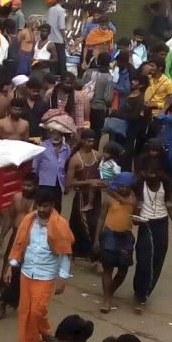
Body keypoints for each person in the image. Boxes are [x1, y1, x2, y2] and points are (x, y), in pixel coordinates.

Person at [7, 188, 74, 342]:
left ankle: (45, 333)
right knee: (25, 310)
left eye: (46, 206)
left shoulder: (60, 225)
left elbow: (65, 253)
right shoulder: (29, 220)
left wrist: (62, 278)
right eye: (39, 206)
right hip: (26, 272)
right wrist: (11, 266)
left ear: (52, 205)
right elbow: (19, 243)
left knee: (37, 311)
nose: (42, 210)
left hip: (46, 276)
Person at [132, 159, 172, 312]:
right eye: (149, 174)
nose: (152, 176)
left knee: (158, 259)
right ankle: (139, 288)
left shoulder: (164, 186)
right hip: (145, 224)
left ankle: (143, 296)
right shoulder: (140, 185)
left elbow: (171, 206)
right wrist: (135, 216)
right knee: (143, 260)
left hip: (161, 224)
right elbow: (135, 206)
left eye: (155, 174)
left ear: (160, 174)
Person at [0, 172, 38, 322]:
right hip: (16, 237)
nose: (26, 188)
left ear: (36, 186)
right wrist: (2, 237)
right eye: (24, 184)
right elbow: (10, 217)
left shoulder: (39, 202)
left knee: (27, 274)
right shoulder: (17, 198)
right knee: (8, 269)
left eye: (29, 185)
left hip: (32, 241)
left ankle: (25, 307)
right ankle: (2, 307)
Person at [94, 172, 136, 314]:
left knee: (124, 269)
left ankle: (109, 292)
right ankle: (106, 299)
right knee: (108, 268)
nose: (124, 189)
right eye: (121, 186)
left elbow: (135, 217)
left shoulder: (133, 197)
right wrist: (96, 238)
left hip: (126, 236)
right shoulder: (109, 198)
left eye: (127, 186)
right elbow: (101, 218)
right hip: (110, 234)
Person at [66, 129, 105, 268]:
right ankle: (86, 256)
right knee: (82, 225)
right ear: (82, 140)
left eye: (93, 141)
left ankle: (94, 257)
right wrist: (89, 182)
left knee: (98, 224)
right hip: (82, 196)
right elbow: (69, 183)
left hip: (96, 195)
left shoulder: (98, 156)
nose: (90, 143)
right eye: (88, 140)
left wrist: (102, 182)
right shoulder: (75, 159)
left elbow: (103, 174)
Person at [33, 112, 74, 211]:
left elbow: (67, 167)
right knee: (43, 207)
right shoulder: (42, 147)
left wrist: (67, 185)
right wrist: (35, 182)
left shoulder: (66, 148)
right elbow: (35, 167)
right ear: (49, 133)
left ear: (61, 134)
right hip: (44, 184)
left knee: (56, 208)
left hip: (59, 185)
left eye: (58, 133)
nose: (55, 136)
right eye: (53, 133)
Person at [82, 52, 114, 134]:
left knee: (83, 130)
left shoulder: (88, 72)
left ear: (98, 61)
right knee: (96, 132)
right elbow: (108, 98)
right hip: (98, 109)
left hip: (84, 106)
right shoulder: (108, 78)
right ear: (109, 62)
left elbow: (81, 86)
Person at [46, 0, 67, 77]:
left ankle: (52, 75)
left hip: (50, 38)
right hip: (58, 38)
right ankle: (63, 76)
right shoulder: (61, 10)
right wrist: (64, 38)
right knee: (61, 58)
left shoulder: (50, 9)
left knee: (52, 58)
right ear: (62, 1)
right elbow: (61, 26)